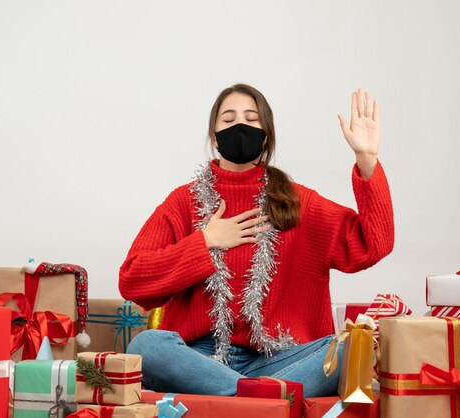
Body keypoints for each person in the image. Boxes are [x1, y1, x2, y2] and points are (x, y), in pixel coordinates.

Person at [119, 84, 394, 397]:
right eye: (229, 119)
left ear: (266, 135)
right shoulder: (183, 202)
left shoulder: (297, 202)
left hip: (280, 359)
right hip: (199, 360)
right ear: (213, 135)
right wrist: (205, 242)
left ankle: (243, 399)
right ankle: (263, 401)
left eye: (251, 119)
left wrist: (367, 159)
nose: (240, 127)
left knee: (351, 348)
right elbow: (132, 280)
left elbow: (374, 243)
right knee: (146, 346)